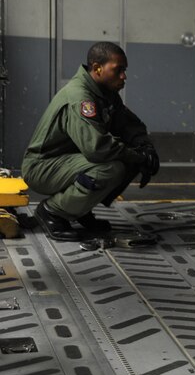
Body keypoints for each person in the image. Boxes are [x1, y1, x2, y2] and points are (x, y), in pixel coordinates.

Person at [22, 41, 159, 241]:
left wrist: (146, 148)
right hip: (42, 167)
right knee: (110, 168)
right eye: (118, 70)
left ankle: (78, 209)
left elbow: (129, 125)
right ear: (97, 68)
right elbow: (97, 149)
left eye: (124, 70)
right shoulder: (80, 97)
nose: (124, 76)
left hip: (67, 161)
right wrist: (138, 157)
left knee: (129, 158)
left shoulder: (105, 93)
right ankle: (52, 212)